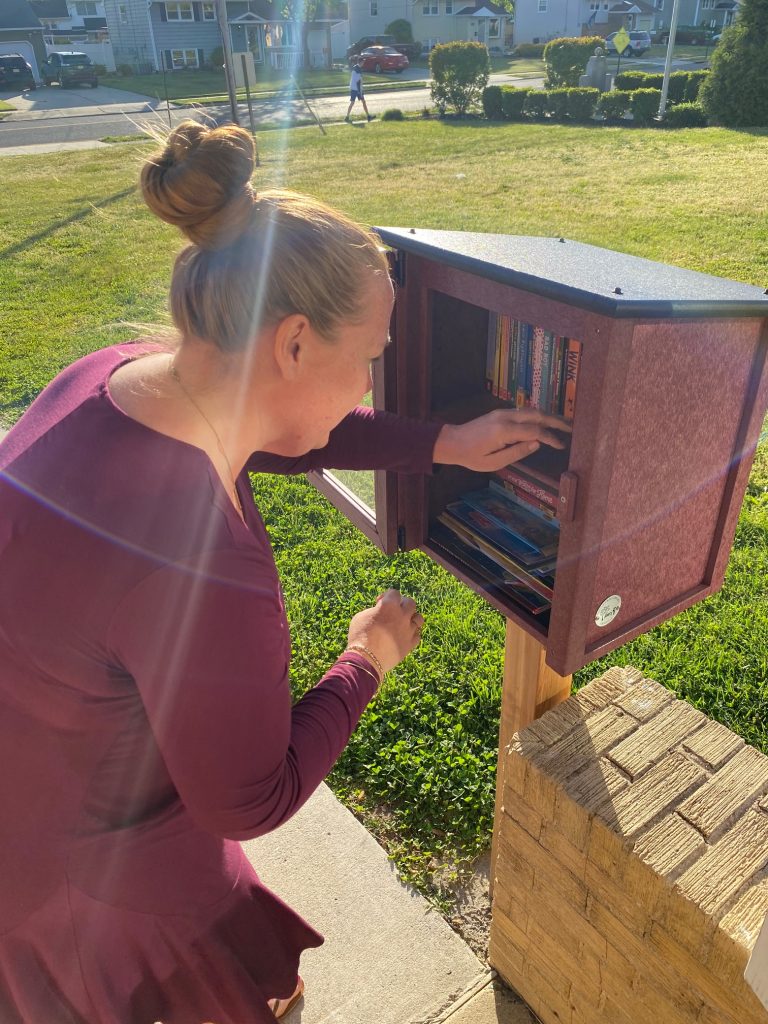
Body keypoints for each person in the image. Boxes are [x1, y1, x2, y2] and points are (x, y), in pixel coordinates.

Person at [0, 120, 569, 1023]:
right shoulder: (200, 571)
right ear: (296, 342)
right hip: (91, 884)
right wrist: (367, 658)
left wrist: (443, 444)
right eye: (371, 361)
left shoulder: (110, 376)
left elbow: (279, 430)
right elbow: (248, 798)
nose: (369, 389)